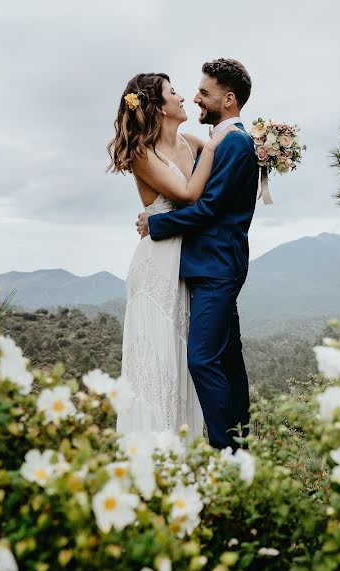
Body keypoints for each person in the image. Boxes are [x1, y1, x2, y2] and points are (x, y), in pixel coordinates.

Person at [136, 59, 258, 450]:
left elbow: (207, 208)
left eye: (204, 93)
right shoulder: (222, 139)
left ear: (228, 98)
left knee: (202, 360)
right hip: (206, 265)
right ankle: (239, 446)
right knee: (227, 359)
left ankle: (227, 451)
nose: (195, 97)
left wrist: (154, 225)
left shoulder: (234, 141)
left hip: (217, 267)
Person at [107, 72, 233, 435]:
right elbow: (188, 194)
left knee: (182, 365)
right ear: (159, 108)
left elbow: (216, 186)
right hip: (156, 268)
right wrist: (213, 146)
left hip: (188, 264)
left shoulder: (190, 142)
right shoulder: (143, 154)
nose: (182, 97)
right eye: (173, 92)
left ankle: (185, 457)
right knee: (157, 364)